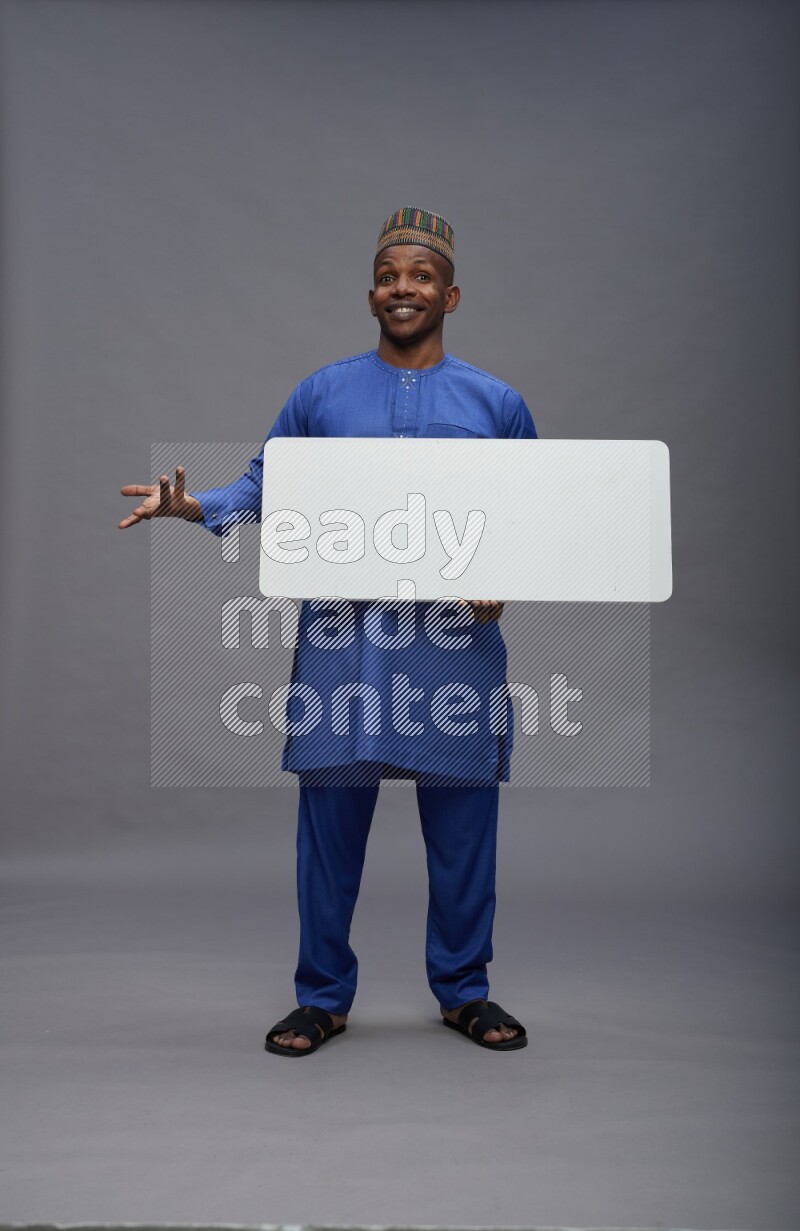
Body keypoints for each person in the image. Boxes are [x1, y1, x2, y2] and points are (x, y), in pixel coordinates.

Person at [119, 207, 536, 1055]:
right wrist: (193, 507)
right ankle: (322, 995)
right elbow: (263, 486)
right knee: (328, 835)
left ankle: (465, 990)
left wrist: (504, 579)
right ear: (370, 293)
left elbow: (533, 518)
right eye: (389, 276)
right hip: (346, 647)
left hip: (452, 650)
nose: (403, 288)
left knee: (462, 837)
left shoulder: (497, 403)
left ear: (450, 293)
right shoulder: (321, 393)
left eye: (420, 276)